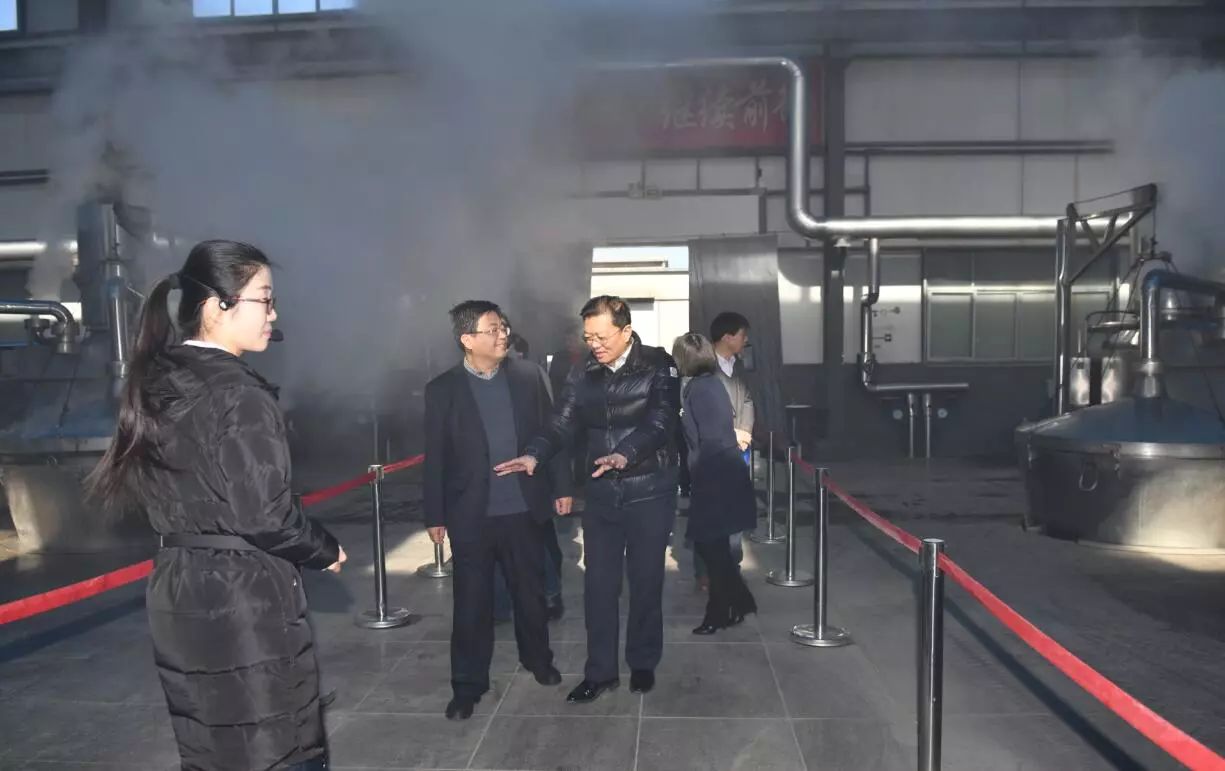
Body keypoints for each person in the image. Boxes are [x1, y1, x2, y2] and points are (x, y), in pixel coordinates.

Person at [85, 240, 345, 771]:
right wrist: (324, 549)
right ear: (215, 306)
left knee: (209, 746)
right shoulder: (240, 393)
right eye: (264, 299)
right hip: (243, 593)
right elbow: (264, 514)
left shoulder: (155, 382)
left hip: (178, 584)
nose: (274, 313)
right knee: (276, 744)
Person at [496, 295, 680, 703]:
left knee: (646, 581)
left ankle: (643, 662)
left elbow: (662, 419)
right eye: (588, 337)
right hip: (601, 493)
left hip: (650, 490)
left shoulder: (658, 363)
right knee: (598, 586)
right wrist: (535, 453)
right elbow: (560, 421)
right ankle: (601, 671)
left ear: (626, 331)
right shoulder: (583, 372)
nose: (594, 344)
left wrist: (626, 453)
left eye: (601, 336)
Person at [423, 300, 571, 721]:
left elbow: (552, 432)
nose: (503, 334)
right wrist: (435, 514)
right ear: (467, 340)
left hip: (523, 507)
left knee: (530, 594)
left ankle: (538, 659)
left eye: (503, 326)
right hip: (471, 514)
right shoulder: (443, 389)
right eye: (492, 329)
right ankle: (467, 685)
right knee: (471, 603)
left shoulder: (528, 377)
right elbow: (436, 456)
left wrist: (561, 485)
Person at [673, 332, 758, 634]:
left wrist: (701, 476)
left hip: (716, 477)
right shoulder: (705, 385)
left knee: (713, 549)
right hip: (717, 474)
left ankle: (725, 609)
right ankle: (735, 604)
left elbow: (710, 440)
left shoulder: (702, 389)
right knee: (715, 549)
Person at [692, 311, 757, 587]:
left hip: (739, 449)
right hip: (711, 453)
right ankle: (705, 570)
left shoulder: (739, 367)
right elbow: (697, 413)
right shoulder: (701, 368)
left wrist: (745, 430)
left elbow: (748, 401)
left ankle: (732, 566)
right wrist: (730, 435)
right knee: (709, 514)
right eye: (743, 335)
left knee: (735, 512)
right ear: (728, 337)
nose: (746, 340)